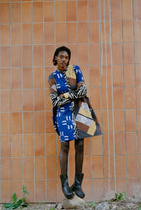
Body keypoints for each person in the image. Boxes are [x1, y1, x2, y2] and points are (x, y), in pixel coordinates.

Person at [48, 46, 102, 200]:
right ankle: (65, 183)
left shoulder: (76, 70)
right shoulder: (52, 77)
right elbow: (54, 101)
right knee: (65, 146)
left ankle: (78, 183)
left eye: (66, 57)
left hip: (80, 110)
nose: (64, 59)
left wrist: (65, 94)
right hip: (63, 113)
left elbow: (83, 91)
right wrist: (71, 95)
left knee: (80, 145)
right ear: (55, 58)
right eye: (61, 57)